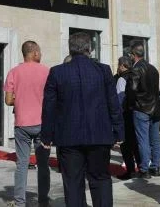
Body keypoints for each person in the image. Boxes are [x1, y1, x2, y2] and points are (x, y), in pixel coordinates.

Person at [40, 32, 122, 207]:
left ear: (71, 49)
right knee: (100, 180)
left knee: (73, 184)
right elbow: (113, 104)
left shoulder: (57, 72)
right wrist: (119, 132)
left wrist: (46, 136)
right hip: (98, 135)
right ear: (89, 49)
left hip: (69, 138)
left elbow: (49, 108)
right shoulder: (103, 70)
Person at [3, 41, 51, 207]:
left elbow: (8, 100)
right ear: (35, 53)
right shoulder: (46, 71)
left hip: (22, 124)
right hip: (42, 124)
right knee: (43, 165)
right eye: (40, 52)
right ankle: (43, 201)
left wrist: (20, 98)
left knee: (21, 164)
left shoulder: (14, 72)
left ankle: (19, 202)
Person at [125, 40, 160, 179]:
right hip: (155, 108)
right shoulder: (152, 68)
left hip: (142, 108)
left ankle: (144, 168)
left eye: (130, 54)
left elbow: (132, 89)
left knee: (143, 139)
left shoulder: (136, 69)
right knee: (155, 139)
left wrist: (131, 104)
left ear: (134, 55)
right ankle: (156, 166)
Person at [115, 56, 140, 179]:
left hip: (125, 114)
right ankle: (141, 167)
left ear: (122, 66)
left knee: (125, 144)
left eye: (118, 65)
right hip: (137, 112)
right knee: (135, 143)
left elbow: (119, 99)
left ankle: (130, 170)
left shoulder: (121, 79)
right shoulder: (136, 75)